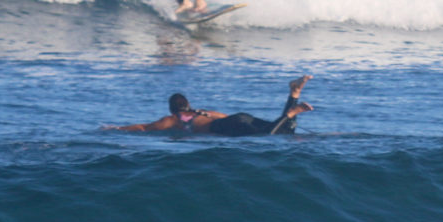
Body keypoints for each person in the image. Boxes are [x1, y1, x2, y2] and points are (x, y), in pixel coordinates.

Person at [106, 76, 312, 137]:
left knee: (269, 135)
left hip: (224, 127)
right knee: (286, 132)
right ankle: (294, 93)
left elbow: (144, 127)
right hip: (238, 117)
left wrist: (117, 128)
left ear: (172, 109)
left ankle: (292, 111)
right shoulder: (202, 111)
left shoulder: (175, 119)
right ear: (188, 105)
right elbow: (229, 116)